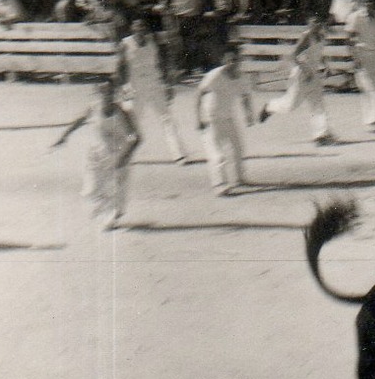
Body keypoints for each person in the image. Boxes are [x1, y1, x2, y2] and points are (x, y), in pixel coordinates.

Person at [52, 80, 141, 231]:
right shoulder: (93, 108)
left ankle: (110, 218)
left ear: (114, 94)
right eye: (103, 93)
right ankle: (106, 213)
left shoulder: (122, 113)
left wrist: (124, 157)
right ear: (97, 94)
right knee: (90, 191)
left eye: (110, 93)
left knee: (114, 192)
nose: (106, 96)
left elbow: (136, 138)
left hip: (118, 155)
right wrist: (64, 136)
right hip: (96, 154)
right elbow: (78, 121)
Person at [117, 18, 190, 163]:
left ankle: (179, 154)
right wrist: (123, 88)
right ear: (132, 28)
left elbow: (161, 65)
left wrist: (167, 85)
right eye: (137, 26)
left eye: (143, 26)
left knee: (167, 119)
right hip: (135, 88)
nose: (140, 29)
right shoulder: (125, 44)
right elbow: (120, 68)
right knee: (131, 122)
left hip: (155, 85)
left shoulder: (153, 42)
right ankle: (122, 154)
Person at [259, 16, 334, 145]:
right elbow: (293, 55)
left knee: (318, 105)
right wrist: (305, 70)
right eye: (313, 21)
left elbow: (318, 53)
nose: (316, 24)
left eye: (318, 21)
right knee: (290, 105)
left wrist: (326, 66)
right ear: (309, 23)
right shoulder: (306, 36)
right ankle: (269, 107)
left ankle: (321, 135)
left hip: (314, 75)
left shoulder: (321, 36)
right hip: (301, 75)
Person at [196, 46, 257, 196]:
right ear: (224, 61)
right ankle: (219, 184)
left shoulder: (241, 77)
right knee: (217, 154)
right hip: (210, 118)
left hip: (228, 117)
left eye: (236, 60)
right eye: (229, 60)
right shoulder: (214, 75)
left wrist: (248, 114)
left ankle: (238, 179)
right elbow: (199, 94)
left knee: (237, 148)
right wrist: (198, 118)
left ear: (240, 61)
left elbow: (245, 96)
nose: (233, 63)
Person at [344, 0, 375, 132]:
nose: (369, 4)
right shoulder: (355, 17)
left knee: (374, 87)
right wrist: (354, 58)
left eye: (371, 2)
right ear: (362, 2)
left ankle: (373, 120)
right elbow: (349, 39)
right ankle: (373, 120)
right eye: (366, 2)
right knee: (366, 87)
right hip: (361, 54)